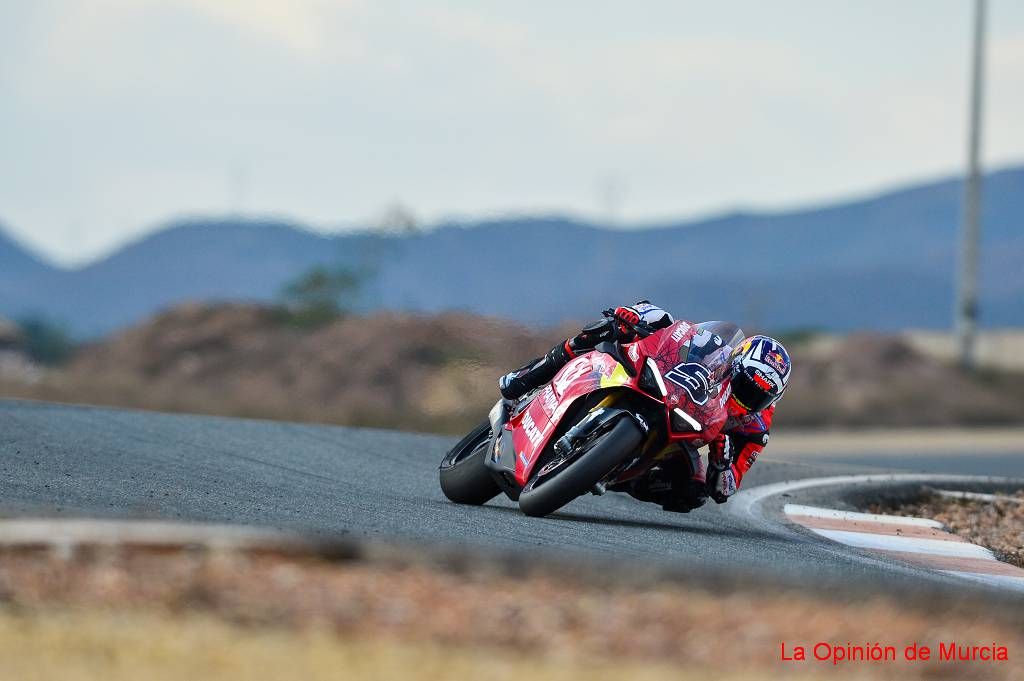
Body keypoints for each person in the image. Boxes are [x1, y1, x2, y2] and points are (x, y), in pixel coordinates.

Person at [498, 301, 792, 512]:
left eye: (759, 396)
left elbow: (726, 488)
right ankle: (528, 376)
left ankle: (618, 475)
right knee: (617, 325)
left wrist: (722, 463)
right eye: (745, 385)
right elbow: (681, 336)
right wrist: (638, 318)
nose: (748, 398)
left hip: (685, 431)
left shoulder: (756, 427)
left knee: (692, 492)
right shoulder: (717, 350)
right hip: (663, 386)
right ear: (734, 364)